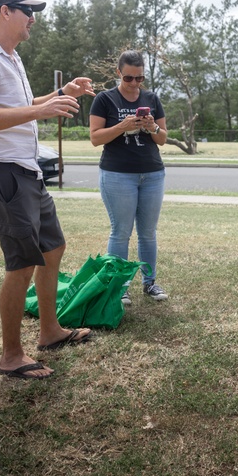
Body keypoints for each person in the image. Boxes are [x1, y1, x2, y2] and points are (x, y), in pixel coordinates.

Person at [0, 0, 97, 380]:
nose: (33, 19)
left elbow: (18, 106)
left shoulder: (12, 57)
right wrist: (39, 113)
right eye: (27, 11)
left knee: (53, 248)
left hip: (27, 170)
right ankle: (11, 356)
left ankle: (50, 331)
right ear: (5, 12)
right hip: (1, 170)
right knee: (22, 263)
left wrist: (58, 94)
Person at [89, 50, 169, 305]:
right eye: (129, 78)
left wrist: (152, 127)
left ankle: (150, 283)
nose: (135, 84)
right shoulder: (105, 100)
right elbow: (95, 138)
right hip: (117, 174)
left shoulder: (152, 98)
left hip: (152, 173)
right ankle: (119, 287)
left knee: (148, 233)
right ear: (118, 74)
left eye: (139, 78)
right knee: (121, 232)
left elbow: (163, 138)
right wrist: (122, 126)